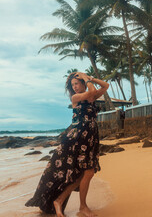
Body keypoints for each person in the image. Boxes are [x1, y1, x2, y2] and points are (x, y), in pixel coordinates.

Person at [25, 72, 109, 217]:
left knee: (82, 174)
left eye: (77, 83)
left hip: (90, 138)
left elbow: (106, 85)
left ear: (83, 83)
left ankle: (59, 200)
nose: (75, 87)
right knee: (87, 172)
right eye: (73, 85)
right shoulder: (75, 98)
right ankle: (82, 207)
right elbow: (93, 91)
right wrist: (86, 79)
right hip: (78, 139)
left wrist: (89, 78)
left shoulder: (91, 97)